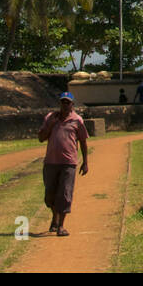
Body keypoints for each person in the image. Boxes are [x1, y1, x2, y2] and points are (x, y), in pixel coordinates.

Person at [37, 93, 88, 236]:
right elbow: (41, 138)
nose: (65, 105)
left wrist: (85, 162)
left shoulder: (77, 120)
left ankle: (61, 226)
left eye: (68, 103)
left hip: (69, 163)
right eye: (63, 103)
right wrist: (51, 125)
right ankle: (55, 216)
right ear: (60, 104)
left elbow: (83, 142)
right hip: (51, 163)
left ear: (72, 105)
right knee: (49, 196)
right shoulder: (50, 118)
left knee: (65, 194)